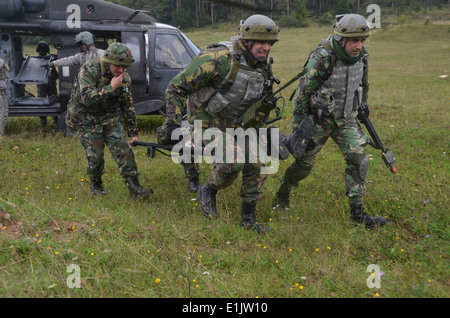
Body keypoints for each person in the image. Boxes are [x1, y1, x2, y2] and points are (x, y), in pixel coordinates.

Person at [164, 15, 312, 233]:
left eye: (270, 43)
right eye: (261, 42)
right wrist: (172, 123)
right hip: (206, 123)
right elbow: (176, 87)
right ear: (247, 41)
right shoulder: (217, 58)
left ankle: (248, 218)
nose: (266, 48)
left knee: (259, 163)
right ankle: (208, 189)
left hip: (240, 124)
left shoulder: (261, 67)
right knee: (233, 162)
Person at [273, 14, 387, 229]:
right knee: (303, 166)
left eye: (362, 40)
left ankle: (357, 212)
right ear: (342, 39)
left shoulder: (362, 56)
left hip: (345, 119)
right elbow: (302, 94)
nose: (359, 46)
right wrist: (299, 129)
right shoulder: (323, 57)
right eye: (354, 41)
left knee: (359, 160)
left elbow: (364, 82)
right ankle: (282, 194)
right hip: (319, 120)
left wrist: (362, 104)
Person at [65, 42, 153, 200]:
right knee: (96, 157)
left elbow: (127, 105)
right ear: (108, 62)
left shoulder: (123, 78)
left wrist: (133, 133)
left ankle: (135, 188)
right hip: (85, 118)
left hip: (108, 117)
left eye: (124, 67)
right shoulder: (89, 70)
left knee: (124, 151)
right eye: (118, 66)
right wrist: (110, 88)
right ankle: (96, 182)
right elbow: (86, 99)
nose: (121, 70)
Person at [35, 41, 58, 128]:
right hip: (49, 83)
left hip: (43, 84)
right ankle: (54, 122)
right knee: (53, 101)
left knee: (42, 102)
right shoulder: (49, 58)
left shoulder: (45, 58)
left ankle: (44, 124)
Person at [0, 56, 10, 139]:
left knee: (5, 113)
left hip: (2, 92)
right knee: (1, 113)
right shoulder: (1, 62)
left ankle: (1, 133)